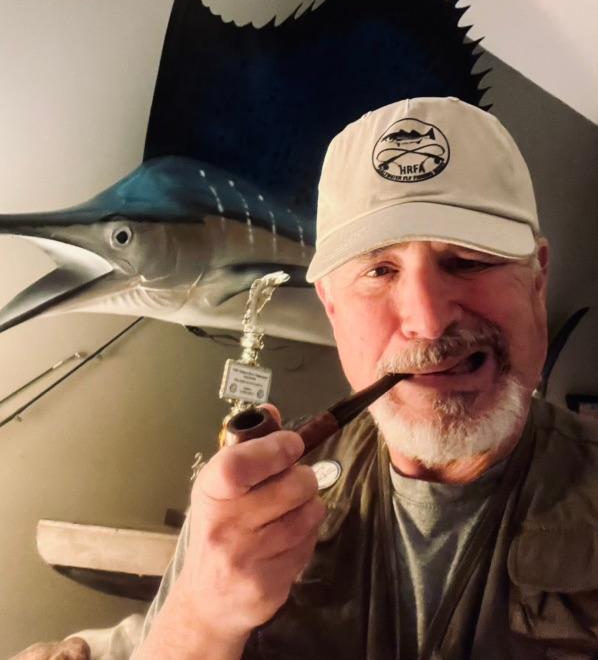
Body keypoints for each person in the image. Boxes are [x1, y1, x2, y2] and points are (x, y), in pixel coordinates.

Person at [15, 97, 598, 659]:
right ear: (331, 305)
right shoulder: (250, 497)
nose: (426, 319)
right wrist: (199, 620)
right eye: (379, 270)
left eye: (468, 261)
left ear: (538, 279)